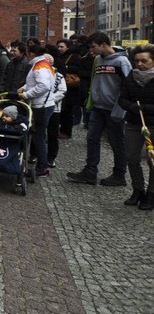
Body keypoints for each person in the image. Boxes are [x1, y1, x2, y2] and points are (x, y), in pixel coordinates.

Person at [67, 32, 131, 186]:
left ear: (104, 44)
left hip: (113, 109)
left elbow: (128, 86)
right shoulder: (98, 59)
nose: (91, 50)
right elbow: (96, 81)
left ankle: (119, 174)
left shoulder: (122, 61)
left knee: (117, 142)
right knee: (92, 138)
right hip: (97, 107)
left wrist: (120, 109)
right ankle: (90, 171)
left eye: (94, 47)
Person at [117, 44, 154, 210]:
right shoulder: (131, 77)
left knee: (152, 160)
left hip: (152, 123)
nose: (139, 64)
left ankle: (151, 194)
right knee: (132, 158)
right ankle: (138, 190)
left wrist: (145, 108)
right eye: (137, 60)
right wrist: (130, 107)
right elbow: (122, 99)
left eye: (144, 61)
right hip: (133, 122)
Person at [18, 45, 56, 178]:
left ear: (32, 54)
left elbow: (43, 85)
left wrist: (26, 95)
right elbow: (35, 83)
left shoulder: (40, 66)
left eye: (28, 53)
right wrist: (23, 88)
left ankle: (42, 167)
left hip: (41, 106)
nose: (27, 56)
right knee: (38, 136)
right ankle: (42, 165)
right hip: (42, 104)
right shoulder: (41, 64)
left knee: (39, 137)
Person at [55, 38, 80, 138]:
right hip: (62, 86)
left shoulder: (74, 57)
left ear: (68, 47)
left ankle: (66, 131)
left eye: (62, 47)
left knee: (67, 111)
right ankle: (62, 130)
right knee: (62, 110)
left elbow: (79, 69)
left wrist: (66, 68)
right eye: (58, 47)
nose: (60, 48)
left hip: (70, 88)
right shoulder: (59, 56)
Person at [45, 61, 68, 169]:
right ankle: (34, 154)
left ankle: (51, 157)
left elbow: (62, 91)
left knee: (52, 134)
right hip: (39, 107)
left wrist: (48, 100)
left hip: (54, 109)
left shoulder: (59, 76)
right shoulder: (40, 73)